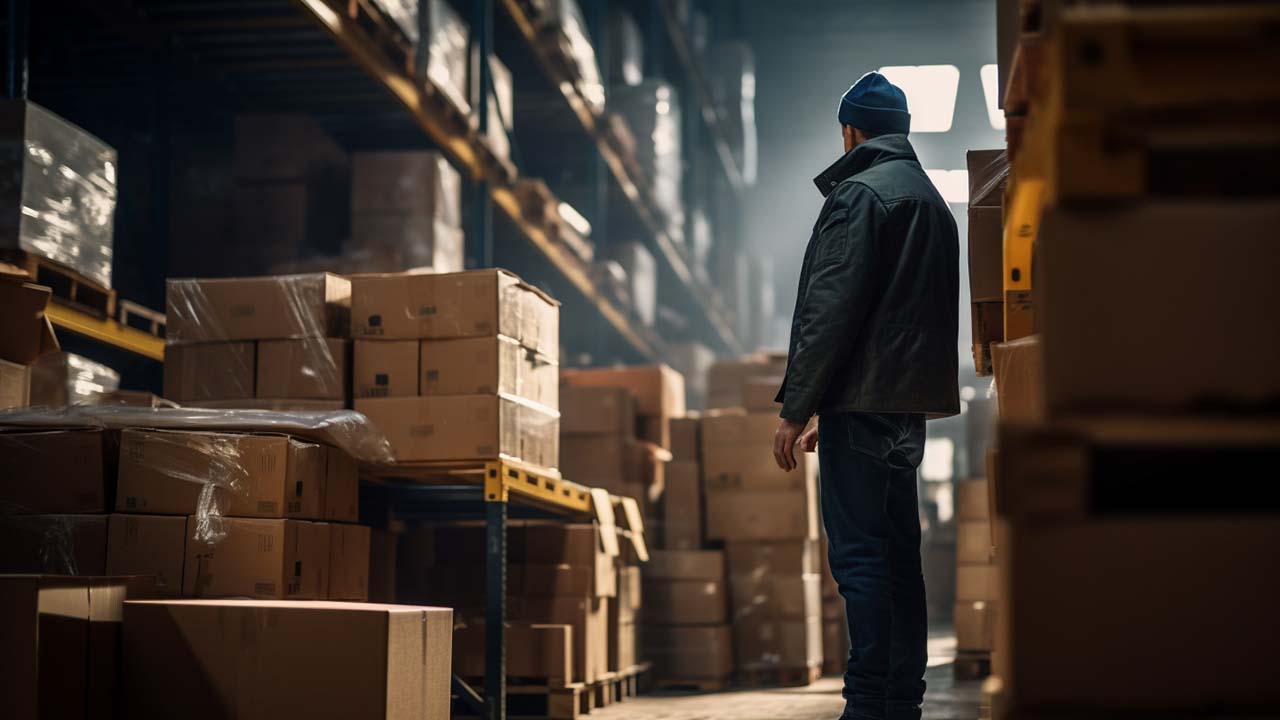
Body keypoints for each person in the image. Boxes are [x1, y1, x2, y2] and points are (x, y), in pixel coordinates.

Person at [772, 71, 960, 720]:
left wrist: (798, 407)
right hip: (906, 413)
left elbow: (832, 310)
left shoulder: (859, 195)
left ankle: (867, 706)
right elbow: (903, 319)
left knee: (860, 562)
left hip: (860, 412)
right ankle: (901, 701)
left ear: (850, 132)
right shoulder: (929, 199)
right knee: (899, 561)